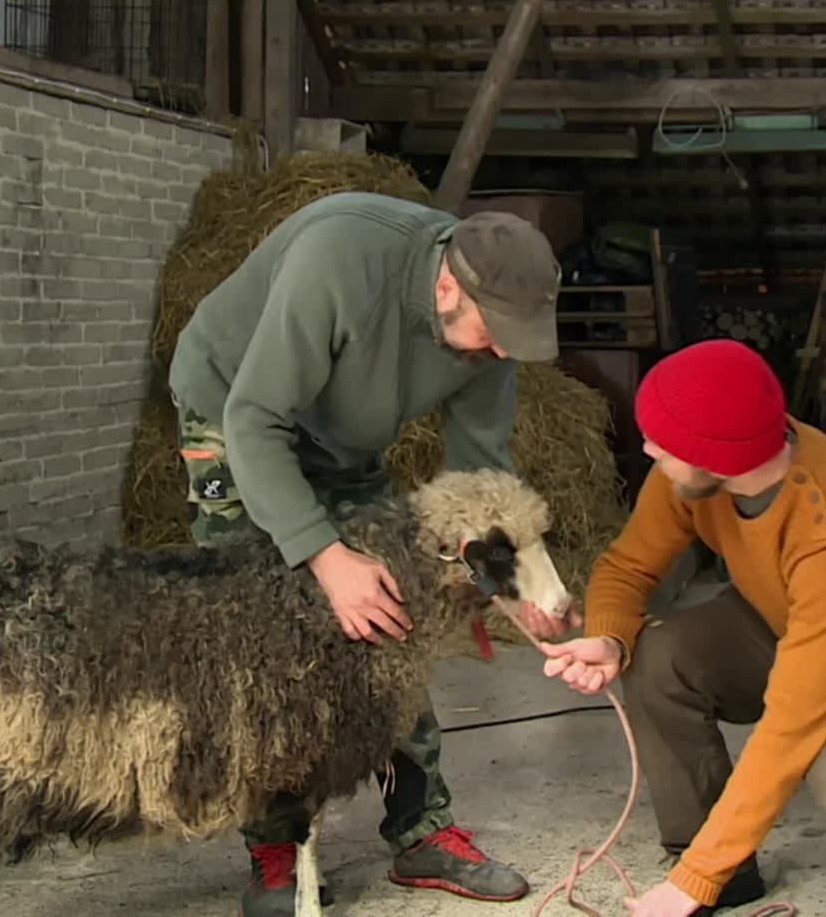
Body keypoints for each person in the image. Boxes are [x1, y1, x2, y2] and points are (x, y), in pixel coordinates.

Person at [167, 190, 573, 916]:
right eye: (495, 333)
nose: (504, 351)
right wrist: (324, 556)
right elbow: (255, 421)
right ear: (447, 287)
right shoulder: (340, 260)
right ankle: (275, 848)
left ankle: (422, 831)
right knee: (258, 636)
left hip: (341, 434)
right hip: (237, 410)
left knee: (392, 612)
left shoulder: (495, 329)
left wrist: (517, 591)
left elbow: (480, 479)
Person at [534, 339, 826, 917]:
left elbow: (793, 721)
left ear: (717, 461)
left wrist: (693, 881)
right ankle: (716, 859)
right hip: (782, 614)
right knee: (655, 656)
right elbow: (628, 566)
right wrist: (610, 637)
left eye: (663, 444)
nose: (649, 449)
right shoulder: (695, 469)